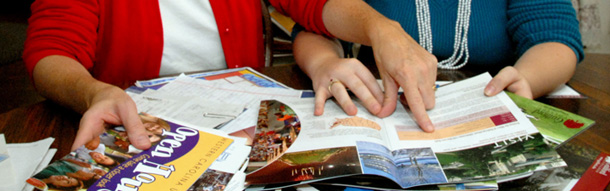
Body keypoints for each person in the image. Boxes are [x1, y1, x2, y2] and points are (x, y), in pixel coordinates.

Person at [24, 0, 433, 151]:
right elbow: (50, 53)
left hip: (241, 123)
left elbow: (314, 5)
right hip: (139, 128)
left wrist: (381, 28)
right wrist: (92, 92)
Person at [292, 0, 583, 132]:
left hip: (486, 110)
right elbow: (314, 25)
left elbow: (556, 38)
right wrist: (324, 63)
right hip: (377, 115)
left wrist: (528, 77)